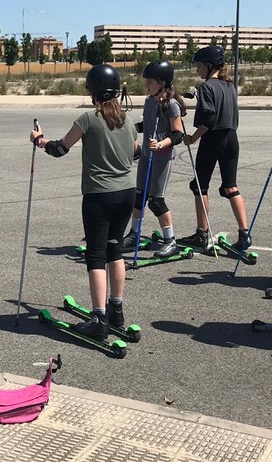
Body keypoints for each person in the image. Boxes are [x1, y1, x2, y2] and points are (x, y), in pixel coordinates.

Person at [31, 63, 138, 339]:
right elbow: (135, 153)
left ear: (94, 92)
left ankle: (99, 319)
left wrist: (40, 141)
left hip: (99, 195)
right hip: (126, 192)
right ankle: (117, 309)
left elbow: (60, 148)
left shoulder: (88, 119)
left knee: (96, 254)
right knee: (115, 251)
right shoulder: (126, 120)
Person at [179, 45, 250, 252]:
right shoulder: (230, 86)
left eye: (199, 66)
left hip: (213, 139)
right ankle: (244, 232)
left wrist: (192, 138)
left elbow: (209, 118)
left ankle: (201, 233)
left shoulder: (207, 87)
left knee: (200, 186)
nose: (197, 70)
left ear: (209, 66)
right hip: (231, 138)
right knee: (230, 186)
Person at [123, 60, 186, 257]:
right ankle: (134, 234)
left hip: (162, 158)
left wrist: (160, 144)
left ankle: (171, 241)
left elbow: (178, 135)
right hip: (146, 156)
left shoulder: (172, 105)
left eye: (150, 82)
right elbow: (147, 124)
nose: (146, 85)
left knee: (156, 201)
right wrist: (129, 128)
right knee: (139, 197)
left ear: (162, 82)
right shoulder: (150, 101)